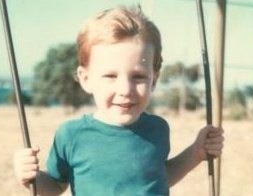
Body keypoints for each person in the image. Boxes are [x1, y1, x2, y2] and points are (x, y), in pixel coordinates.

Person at [14, 5, 224, 196]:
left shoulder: (159, 129)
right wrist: (30, 177)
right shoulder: (71, 135)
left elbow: (158, 178)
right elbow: (56, 186)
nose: (125, 90)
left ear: (154, 80)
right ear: (86, 79)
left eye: (138, 77)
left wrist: (195, 154)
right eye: (110, 76)